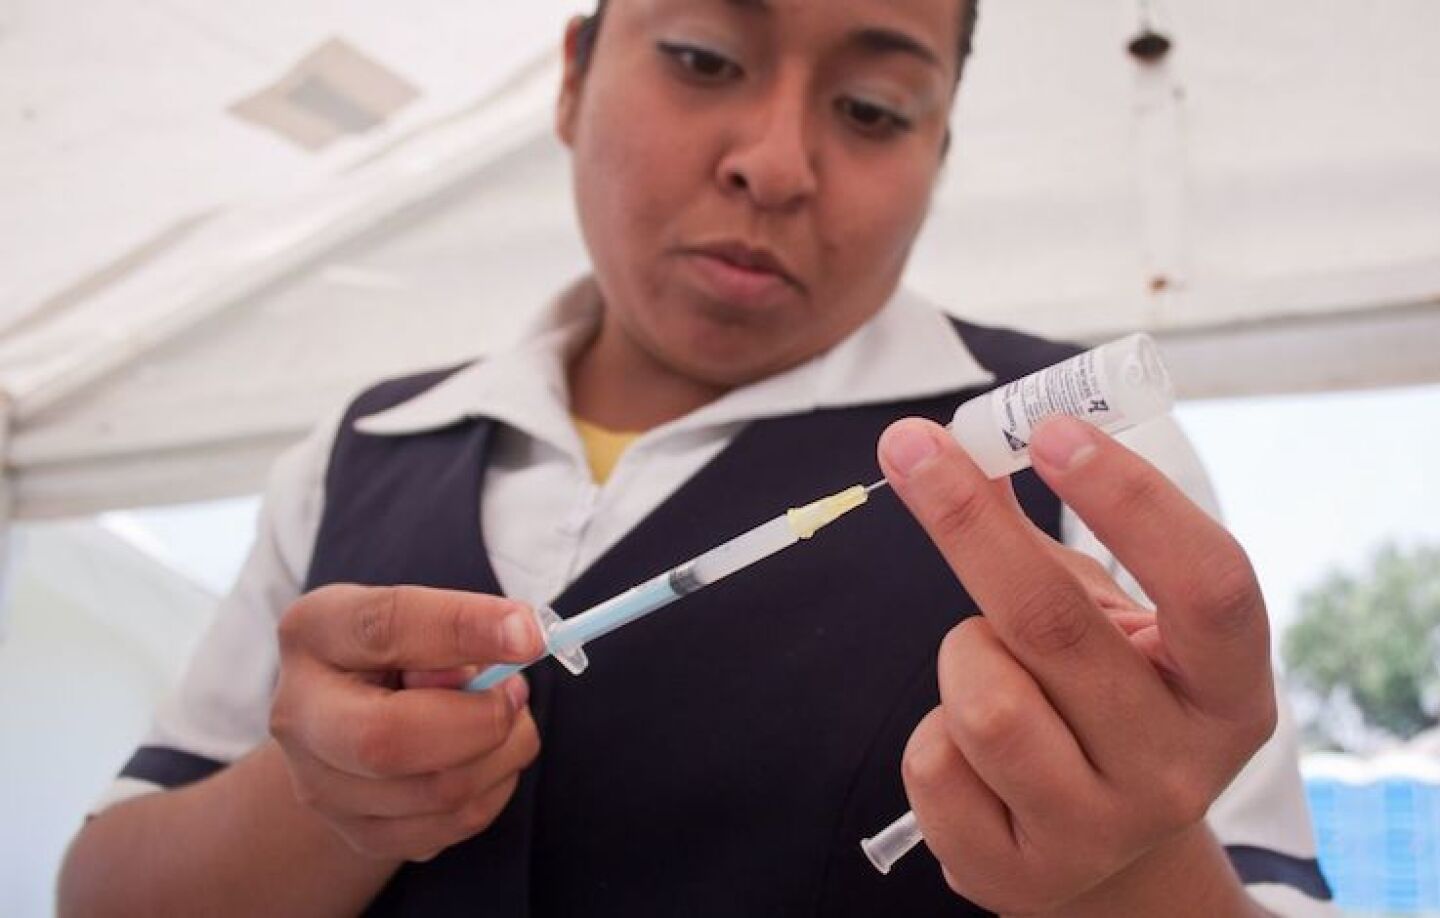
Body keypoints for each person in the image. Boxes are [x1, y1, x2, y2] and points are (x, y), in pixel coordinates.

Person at [60, 1, 1336, 915]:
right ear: (570, 75)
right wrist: (322, 794)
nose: (774, 163)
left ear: (938, 158)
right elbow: (103, 888)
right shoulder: (366, 450)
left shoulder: (1071, 451)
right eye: (701, 55)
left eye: (874, 108)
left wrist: (1137, 872)